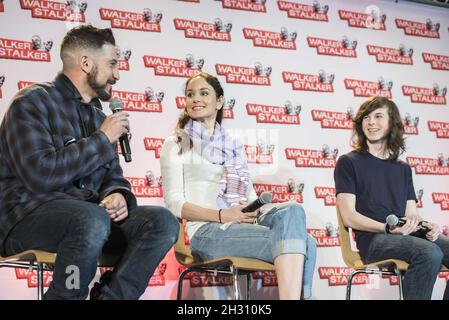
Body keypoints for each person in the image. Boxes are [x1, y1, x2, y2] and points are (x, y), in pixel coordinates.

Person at [0, 25, 179, 300]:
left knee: (161, 222)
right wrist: (102, 138)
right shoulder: (32, 102)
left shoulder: (98, 116)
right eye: (112, 64)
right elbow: (40, 174)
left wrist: (116, 194)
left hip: (89, 220)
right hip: (26, 217)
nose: (117, 75)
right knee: (90, 217)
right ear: (85, 63)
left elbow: (113, 177)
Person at [160, 72, 316, 300]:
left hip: (239, 224)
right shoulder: (176, 144)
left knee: (293, 209)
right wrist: (224, 215)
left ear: (220, 101)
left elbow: (249, 193)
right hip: (205, 232)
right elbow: (174, 204)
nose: (196, 99)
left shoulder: (232, 146)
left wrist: (250, 210)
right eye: (190, 94)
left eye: (204, 93)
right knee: (305, 243)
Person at [334, 96, 449, 300]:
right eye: (366, 117)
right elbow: (349, 216)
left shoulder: (403, 169)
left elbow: (411, 213)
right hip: (373, 240)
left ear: (392, 123)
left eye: (378, 116)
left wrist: (426, 226)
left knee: (437, 247)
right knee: (429, 253)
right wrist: (386, 228)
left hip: (405, 235)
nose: (371, 122)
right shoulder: (348, 162)